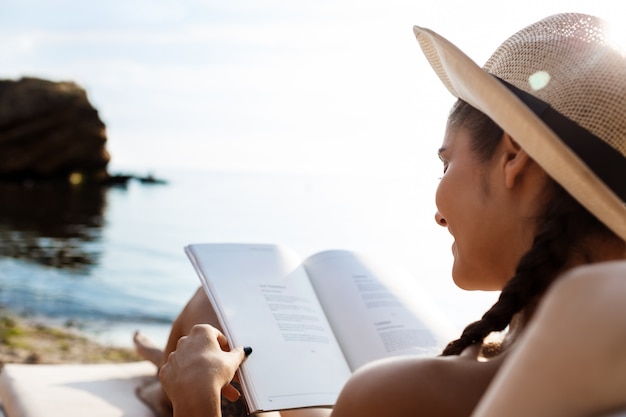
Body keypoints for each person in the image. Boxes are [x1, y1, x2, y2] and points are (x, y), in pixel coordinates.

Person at [134, 12, 626, 417]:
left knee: (214, 308)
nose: (438, 212)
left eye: (446, 161)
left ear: (512, 157)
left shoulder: (399, 396)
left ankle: (167, 384)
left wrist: (196, 404)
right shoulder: (597, 357)